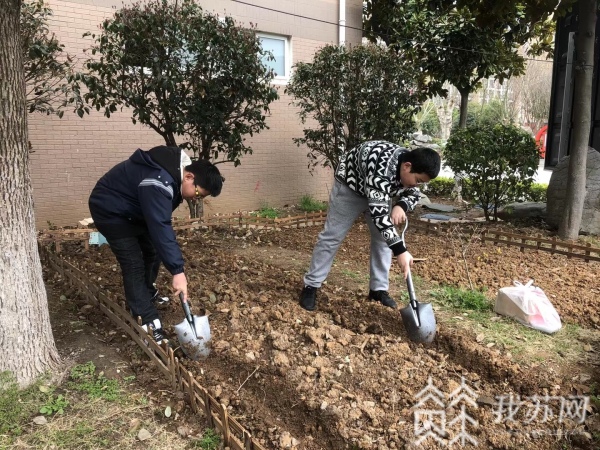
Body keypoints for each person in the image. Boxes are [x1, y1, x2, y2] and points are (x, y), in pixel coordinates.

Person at [89, 146, 223, 342]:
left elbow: (159, 224)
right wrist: (178, 272)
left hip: (133, 211)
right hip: (110, 210)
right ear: (189, 177)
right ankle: (147, 320)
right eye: (198, 193)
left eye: (201, 197)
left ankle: (146, 292)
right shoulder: (159, 182)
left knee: (153, 251)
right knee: (133, 263)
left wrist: (175, 266)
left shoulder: (174, 177)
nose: (197, 198)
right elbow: (160, 225)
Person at [299, 140, 441, 311]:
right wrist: (401, 251)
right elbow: (380, 216)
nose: (416, 185)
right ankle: (311, 286)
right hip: (350, 186)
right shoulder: (381, 168)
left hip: (379, 193)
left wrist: (400, 205)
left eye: (421, 182)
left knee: (383, 241)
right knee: (332, 236)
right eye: (417, 180)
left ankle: (378, 290)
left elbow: (414, 193)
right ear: (407, 166)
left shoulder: (410, 167)